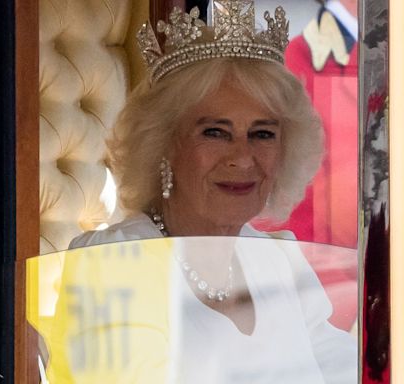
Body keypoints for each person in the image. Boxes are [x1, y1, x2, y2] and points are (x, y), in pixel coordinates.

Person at [61, 1, 356, 382]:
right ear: (164, 143)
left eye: (262, 134)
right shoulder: (115, 263)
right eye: (215, 132)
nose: (242, 157)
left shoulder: (277, 260)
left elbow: (344, 368)